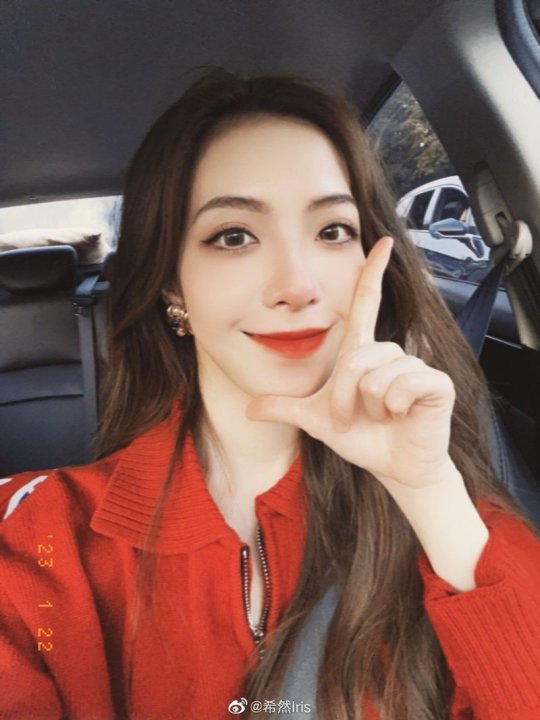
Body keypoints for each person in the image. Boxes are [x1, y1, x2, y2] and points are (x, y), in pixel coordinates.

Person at [0, 67, 539, 720]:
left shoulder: (447, 494)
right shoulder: (36, 539)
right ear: (172, 287)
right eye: (234, 236)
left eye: (333, 231)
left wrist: (427, 493)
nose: (298, 285)